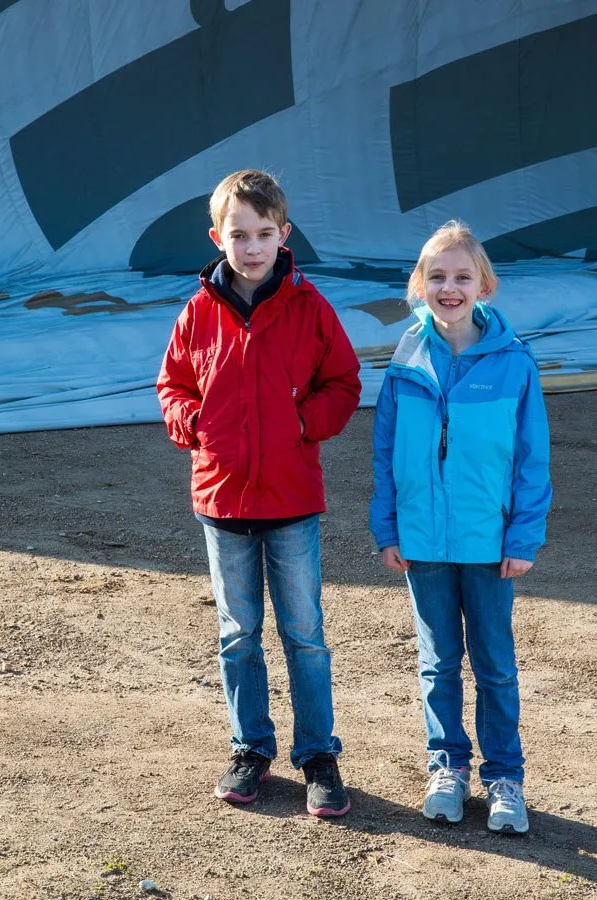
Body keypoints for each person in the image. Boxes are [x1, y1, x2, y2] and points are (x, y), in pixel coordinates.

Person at [158, 169, 361, 817]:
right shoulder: (197, 313)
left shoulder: (310, 307)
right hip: (222, 502)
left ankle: (318, 756)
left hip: (292, 502)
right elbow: (173, 387)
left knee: (304, 632)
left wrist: (305, 424)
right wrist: (197, 426)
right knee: (238, 633)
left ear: (284, 234)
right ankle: (251, 749)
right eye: (238, 235)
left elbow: (344, 383)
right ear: (218, 238)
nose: (251, 247)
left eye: (263, 234)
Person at [370, 220, 551, 834]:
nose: (450, 287)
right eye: (437, 276)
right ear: (420, 286)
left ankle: (506, 778)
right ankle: (448, 766)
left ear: (484, 286)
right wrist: (388, 527)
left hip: (489, 542)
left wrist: (523, 536)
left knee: (495, 663)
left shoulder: (514, 365)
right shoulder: (402, 365)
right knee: (438, 663)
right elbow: (386, 452)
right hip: (423, 542)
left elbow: (532, 458)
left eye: (462, 277)